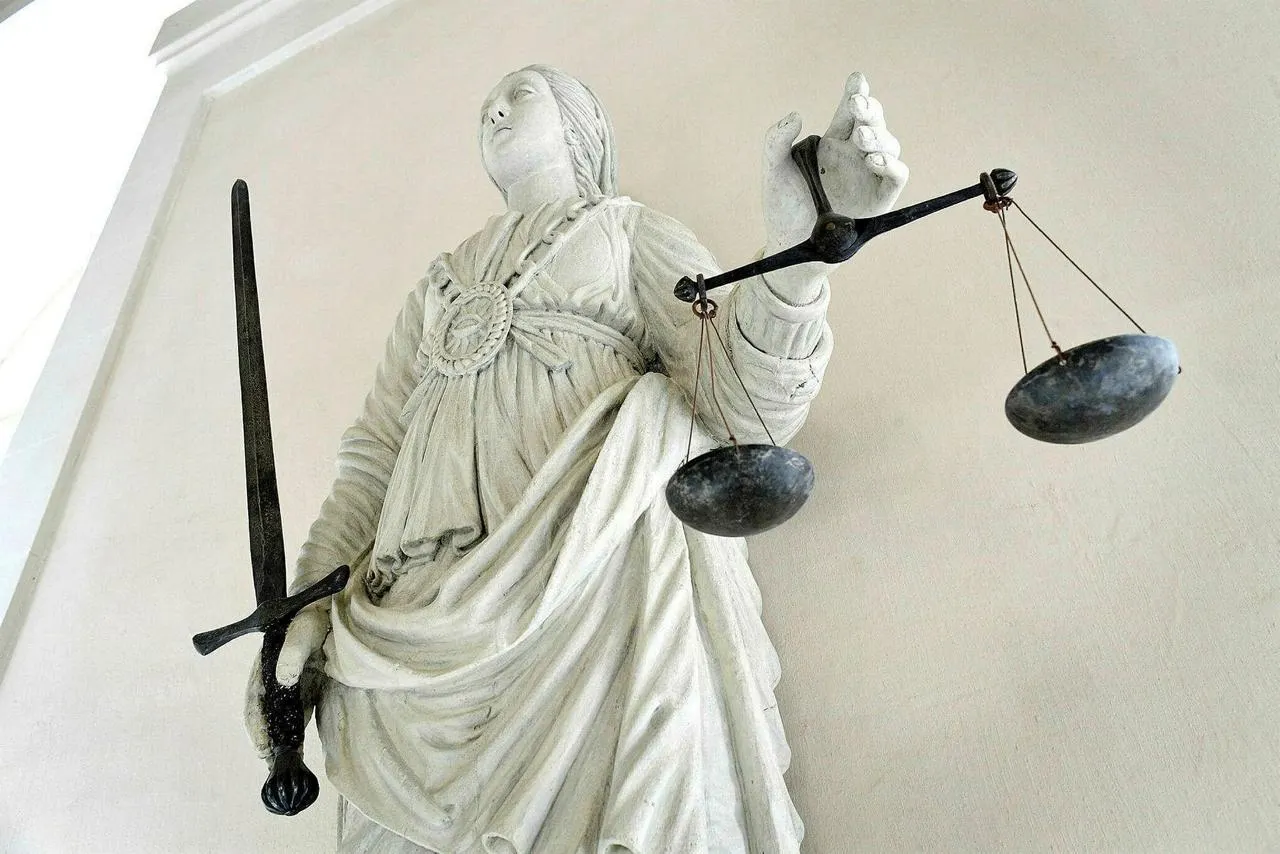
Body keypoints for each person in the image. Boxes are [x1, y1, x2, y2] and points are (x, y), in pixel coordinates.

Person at [246, 64, 906, 853]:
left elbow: (736, 405)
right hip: (411, 622)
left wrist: (797, 263)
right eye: (486, 104)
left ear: (581, 124)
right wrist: (306, 604)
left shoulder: (629, 232)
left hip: (592, 579)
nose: (495, 109)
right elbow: (371, 461)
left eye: (520, 94)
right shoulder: (437, 287)